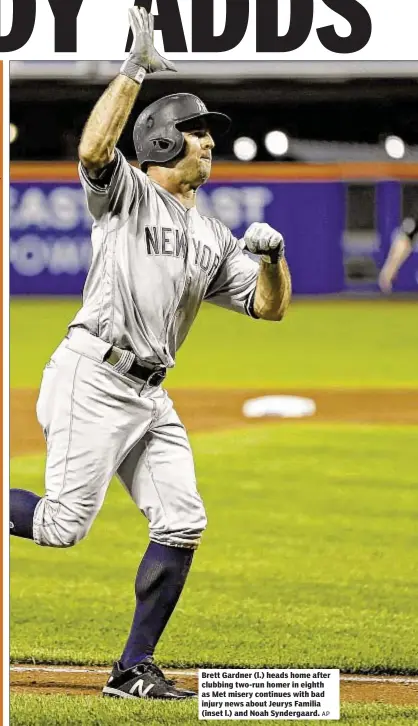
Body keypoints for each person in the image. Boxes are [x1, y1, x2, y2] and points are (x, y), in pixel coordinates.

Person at [10, 7, 291, 700]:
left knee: (184, 519)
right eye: (198, 132)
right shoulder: (127, 196)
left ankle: (131, 669)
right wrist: (134, 68)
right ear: (164, 140)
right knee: (60, 525)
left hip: (149, 394)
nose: (208, 143)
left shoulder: (212, 235)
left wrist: (273, 260)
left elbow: (267, 307)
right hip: (93, 375)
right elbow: (94, 151)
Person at [378, 217, 418, 293]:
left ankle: (386, 278)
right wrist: (388, 274)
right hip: (407, 233)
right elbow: (395, 257)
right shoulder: (404, 238)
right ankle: (386, 278)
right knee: (399, 251)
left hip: (408, 234)